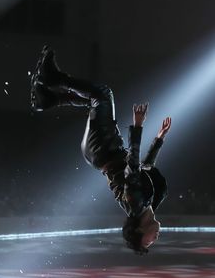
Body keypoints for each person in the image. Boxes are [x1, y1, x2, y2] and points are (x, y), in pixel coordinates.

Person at [30, 45, 172, 255]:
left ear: (140, 230)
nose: (155, 239)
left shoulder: (135, 203)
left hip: (102, 149)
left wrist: (138, 127)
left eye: (148, 242)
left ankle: (53, 79)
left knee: (102, 95)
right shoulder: (149, 203)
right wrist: (159, 139)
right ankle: (48, 99)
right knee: (96, 100)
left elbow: (133, 168)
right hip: (107, 148)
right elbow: (146, 167)